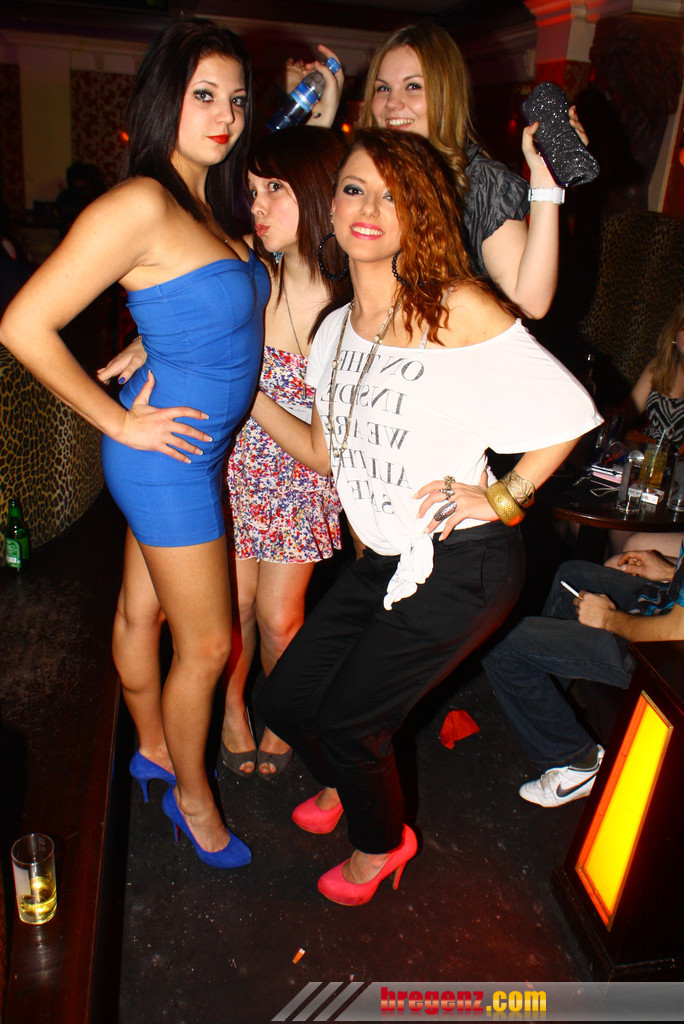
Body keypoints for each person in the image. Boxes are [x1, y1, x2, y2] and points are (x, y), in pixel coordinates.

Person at [250, 129, 600, 905]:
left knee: (351, 723)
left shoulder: (456, 309)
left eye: (393, 195)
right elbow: (324, 453)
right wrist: (251, 398)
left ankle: (381, 844)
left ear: (420, 215)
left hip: (465, 561)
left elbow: (570, 412)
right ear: (330, 207)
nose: (369, 208)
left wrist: (504, 495)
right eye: (354, 189)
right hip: (385, 558)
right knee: (281, 702)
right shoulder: (334, 331)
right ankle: (354, 782)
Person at [0, 20, 269, 869]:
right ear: (163, 100)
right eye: (204, 95)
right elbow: (22, 324)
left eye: (237, 99)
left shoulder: (205, 201)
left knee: (140, 613)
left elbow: (193, 299)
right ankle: (194, 797)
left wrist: (154, 342)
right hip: (166, 459)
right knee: (211, 645)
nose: (225, 116)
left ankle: (153, 750)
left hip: (190, 451)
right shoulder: (141, 203)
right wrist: (116, 421)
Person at [107, 127, 351, 778]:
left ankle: (282, 710)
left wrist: (245, 391)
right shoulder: (254, 273)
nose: (257, 205)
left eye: (276, 189)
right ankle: (234, 709)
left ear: (317, 195)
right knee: (234, 611)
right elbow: (187, 309)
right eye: (253, 189)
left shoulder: (350, 308)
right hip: (234, 467)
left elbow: (320, 454)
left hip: (300, 482)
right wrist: (146, 343)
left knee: (281, 620)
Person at [309, 23, 587, 318]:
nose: (392, 103)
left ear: (446, 93)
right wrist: (321, 119)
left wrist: (546, 183)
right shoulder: (359, 172)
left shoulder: (480, 183)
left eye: (413, 86)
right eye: (383, 88)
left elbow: (530, 302)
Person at [482, 544, 684, 807]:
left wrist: (608, 618)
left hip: (667, 655)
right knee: (571, 576)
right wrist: (670, 571)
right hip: (665, 606)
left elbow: (674, 635)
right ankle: (536, 710)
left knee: (500, 643)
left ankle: (576, 763)